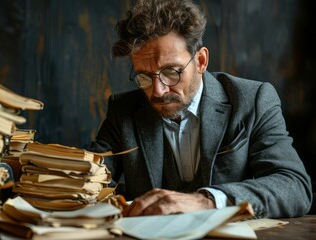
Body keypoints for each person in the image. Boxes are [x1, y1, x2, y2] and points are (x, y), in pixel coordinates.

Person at [87, 0, 312, 219]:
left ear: (201, 61)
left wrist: (207, 201)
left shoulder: (253, 100)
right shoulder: (123, 110)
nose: (157, 91)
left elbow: (294, 186)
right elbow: (88, 179)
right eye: (144, 77)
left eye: (171, 72)